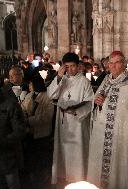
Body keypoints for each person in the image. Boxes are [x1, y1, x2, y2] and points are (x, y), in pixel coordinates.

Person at [87, 51, 128, 189]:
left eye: (117, 62)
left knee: (116, 166)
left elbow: (125, 114)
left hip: (119, 136)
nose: (113, 66)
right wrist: (97, 102)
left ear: (124, 64)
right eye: (110, 63)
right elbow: (96, 101)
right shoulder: (105, 81)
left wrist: (104, 103)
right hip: (101, 132)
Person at [47, 52, 94, 188]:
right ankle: (64, 176)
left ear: (78, 66)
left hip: (77, 123)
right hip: (63, 124)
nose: (70, 69)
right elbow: (51, 94)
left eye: (73, 66)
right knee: (63, 150)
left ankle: (78, 179)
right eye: (67, 67)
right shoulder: (62, 79)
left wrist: (76, 110)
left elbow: (90, 102)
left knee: (77, 150)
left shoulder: (84, 81)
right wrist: (59, 76)